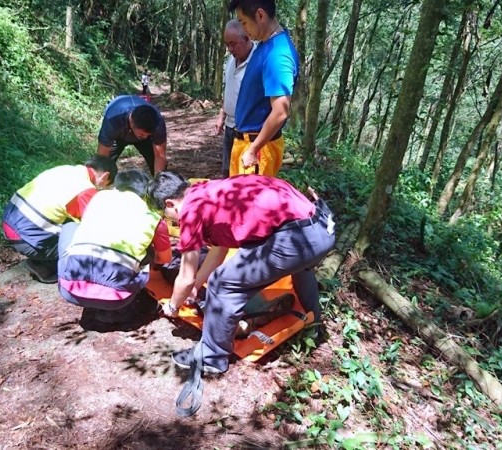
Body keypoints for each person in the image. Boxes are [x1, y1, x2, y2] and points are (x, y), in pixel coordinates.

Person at [149, 171, 335, 374]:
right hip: (322, 227)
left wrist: (173, 305)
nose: (174, 221)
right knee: (300, 266)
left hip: (295, 237)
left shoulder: (190, 210)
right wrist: (195, 286)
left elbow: (185, 276)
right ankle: (312, 321)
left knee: (222, 283)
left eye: (169, 216)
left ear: (169, 204)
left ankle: (211, 357)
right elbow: (219, 250)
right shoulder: (210, 191)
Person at [57, 170, 172, 323]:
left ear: (115, 187)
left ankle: (69, 272)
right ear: (145, 194)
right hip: (118, 298)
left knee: (70, 227)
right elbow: (164, 258)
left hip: (69, 290)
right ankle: (120, 306)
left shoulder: (98, 198)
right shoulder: (153, 217)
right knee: (148, 251)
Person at [1, 155, 117, 284]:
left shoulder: (65, 169)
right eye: (105, 185)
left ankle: (41, 257)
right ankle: (42, 265)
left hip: (9, 222)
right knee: (84, 247)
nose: (100, 188)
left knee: (69, 223)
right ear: (105, 176)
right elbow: (94, 225)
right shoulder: (85, 189)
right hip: (25, 238)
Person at [228, 0, 299, 177]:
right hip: (247, 143)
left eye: (243, 22)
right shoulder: (266, 45)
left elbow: (280, 111)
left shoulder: (278, 55)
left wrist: (253, 149)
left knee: (249, 204)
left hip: (258, 149)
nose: (244, 29)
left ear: (260, 15)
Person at [215, 19, 256, 178]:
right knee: (227, 171)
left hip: (248, 130)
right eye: (227, 44)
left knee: (244, 175)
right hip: (230, 126)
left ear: (247, 38)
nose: (230, 49)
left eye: (233, 44)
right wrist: (221, 115)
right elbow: (228, 88)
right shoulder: (231, 59)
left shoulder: (258, 61)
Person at [97, 95, 167, 176]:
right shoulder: (112, 121)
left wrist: (159, 181)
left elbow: (160, 156)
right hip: (117, 135)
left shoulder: (158, 123)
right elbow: (102, 157)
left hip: (143, 140)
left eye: (148, 134)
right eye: (142, 134)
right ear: (132, 123)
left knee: (158, 166)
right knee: (105, 165)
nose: (145, 136)